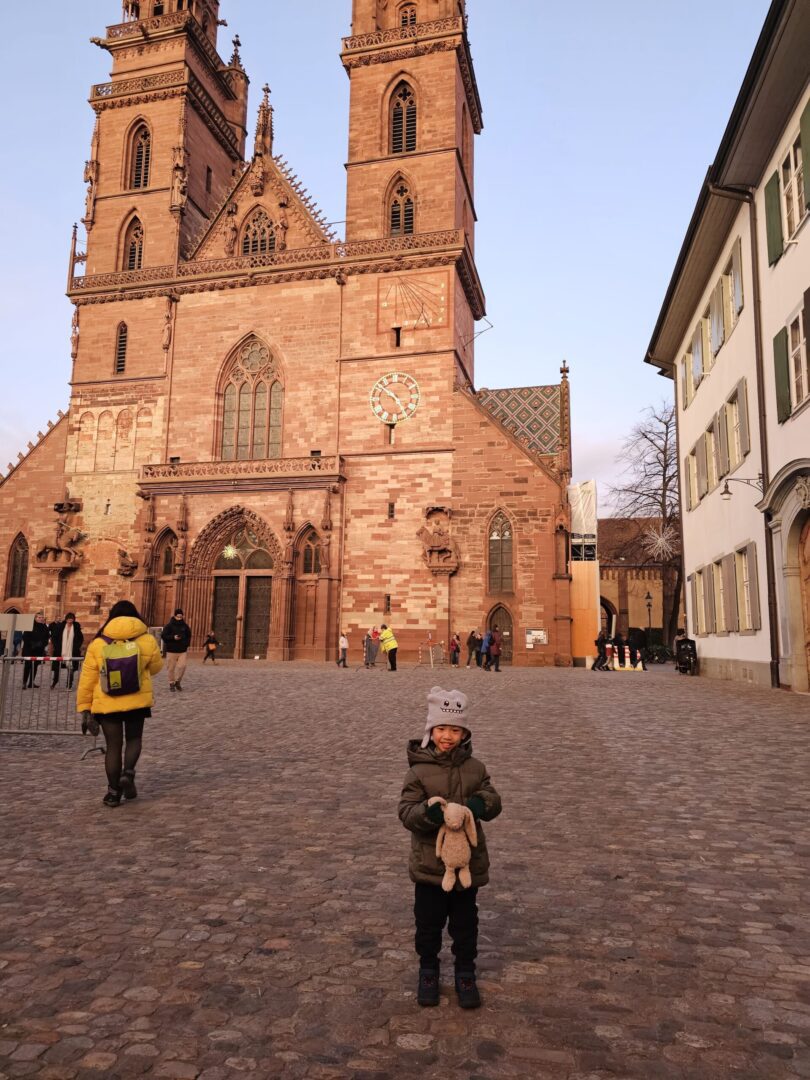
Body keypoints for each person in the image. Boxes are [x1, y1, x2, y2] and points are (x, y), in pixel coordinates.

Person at [399, 686, 502, 1009]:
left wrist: (479, 803)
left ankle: (465, 972)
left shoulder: (476, 768)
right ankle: (428, 970)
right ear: (431, 731)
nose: (447, 735)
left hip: (468, 864)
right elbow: (406, 812)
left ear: (464, 733)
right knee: (427, 922)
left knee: (465, 923)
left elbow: (494, 800)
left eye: (454, 730)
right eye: (441, 729)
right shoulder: (418, 771)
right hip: (430, 865)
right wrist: (428, 815)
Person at [76, 600, 163, 807]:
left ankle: (113, 792)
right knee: (134, 739)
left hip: (107, 702)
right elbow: (156, 668)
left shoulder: (99, 642)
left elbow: (87, 678)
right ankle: (129, 773)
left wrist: (84, 707)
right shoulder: (146, 639)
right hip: (136, 700)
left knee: (113, 746)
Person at [49, 613, 84, 689]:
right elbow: (54, 637)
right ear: (66, 619)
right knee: (57, 669)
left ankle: (69, 685)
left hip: (72, 651)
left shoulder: (76, 628)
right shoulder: (60, 627)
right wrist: (57, 646)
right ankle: (55, 682)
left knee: (71, 668)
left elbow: (80, 638)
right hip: (60, 650)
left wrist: (76, 647)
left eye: (71, 618)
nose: (70, 620)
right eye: (69, 618)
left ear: (73, 619)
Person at [161, 608, 191, 691]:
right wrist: (173, 637)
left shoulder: (185, 626)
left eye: (181, 617)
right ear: (175, 616)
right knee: (171, 668)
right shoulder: (169, 626)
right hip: (171, 650)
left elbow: (189, 635)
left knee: (182, 666)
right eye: (178, 617)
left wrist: (186, 644)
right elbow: (163, 636)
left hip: (182, 650)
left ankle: (177, 681)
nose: (179, 618)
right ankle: (171, 683)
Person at [22, 612, 50, 689]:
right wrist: (32, 644)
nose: (41, 619)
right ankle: (24, 682)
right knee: (27, 666)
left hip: (39, 650)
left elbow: (47, 637)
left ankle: (31, 682)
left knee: (35, 666)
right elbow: (25, 637)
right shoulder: (30, 626)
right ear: (35, 618)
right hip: (29, 649)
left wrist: (42, 644)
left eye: (42, 617)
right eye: (39, 617)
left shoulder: (44, 627)